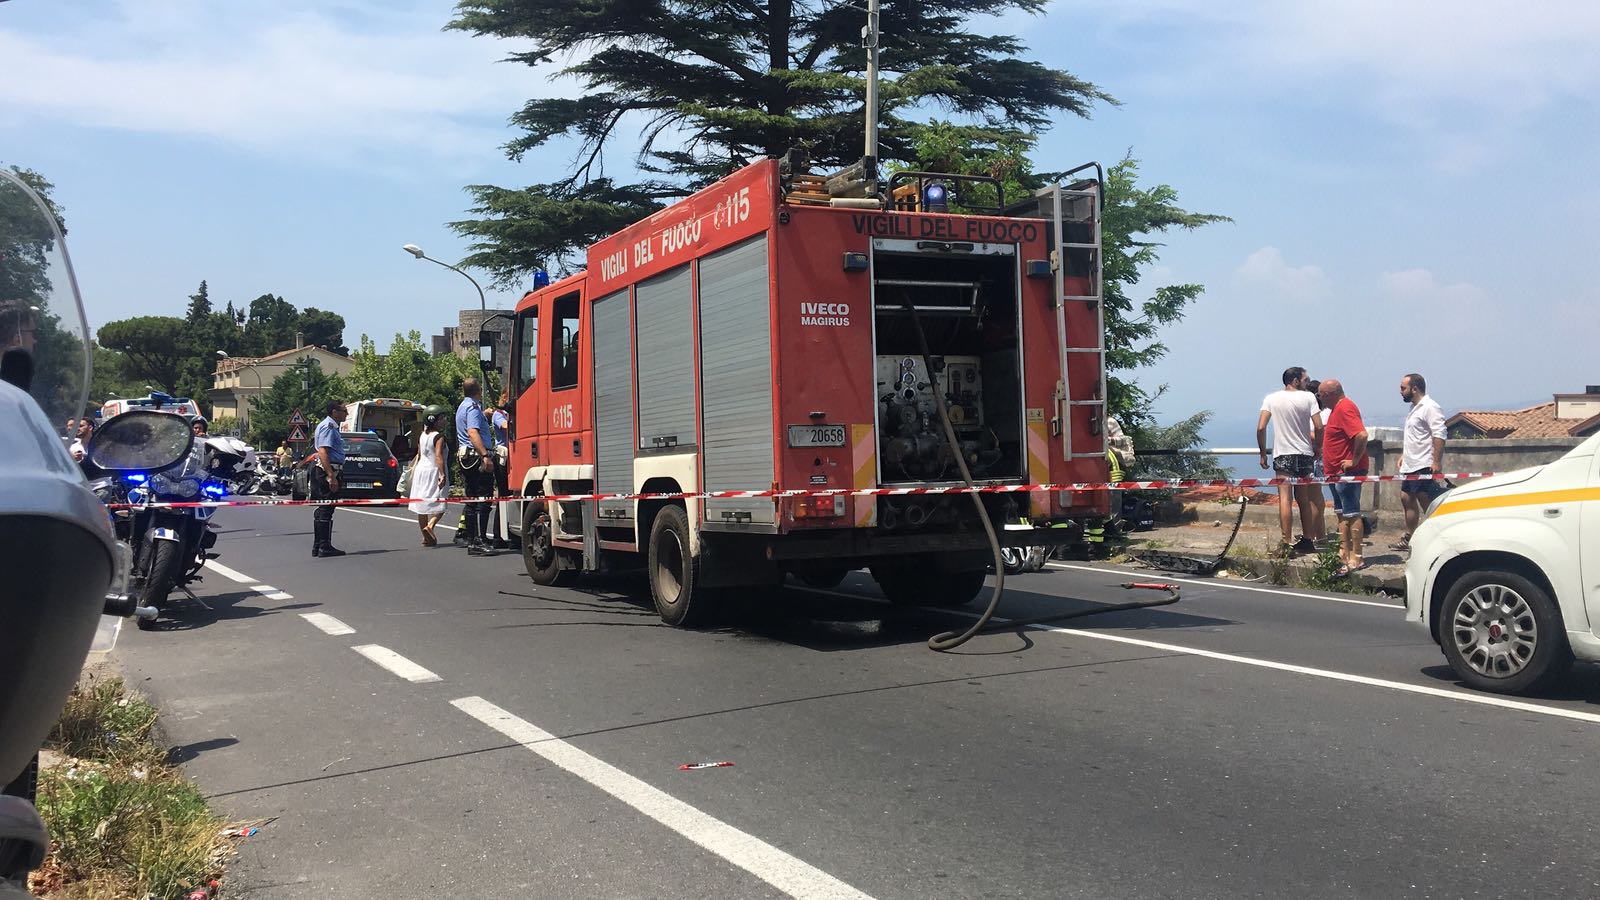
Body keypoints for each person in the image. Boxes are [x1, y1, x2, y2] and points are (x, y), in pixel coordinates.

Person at [1257, 366, 1324, 555]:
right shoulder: (1309, 398)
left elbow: (1261, 427)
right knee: (1303, 499)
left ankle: (1286, 542)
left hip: (1283, 454)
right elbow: (1319, 426)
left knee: (1284, 499)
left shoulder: (1271, 398)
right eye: (1305, 380)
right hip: (1304, 453)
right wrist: (1317, 447)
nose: (1307, 383)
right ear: (1295, 380)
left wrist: (1263, 453)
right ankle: (1308, 539)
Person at [1317, 379, 1369, 576]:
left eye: (1321, 395)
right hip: (1335, 473)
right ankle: (1344, 551)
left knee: (1351, 513)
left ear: (1330, 394)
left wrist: (1353, 461)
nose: (1319, 399)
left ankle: (1357, 555)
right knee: (1341, 513)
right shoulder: (1335, 410)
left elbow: (1361, 435)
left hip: (1347, 473)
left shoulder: (1345, 408)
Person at [1394, 373, 1447, 553]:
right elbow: (1414, 437)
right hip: (1411, 463)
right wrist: (1404, 454)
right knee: (1406, 498)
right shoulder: (1414, 408)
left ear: (1414, 389)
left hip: (1423, 463)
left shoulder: (1430, 407)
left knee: (1427, 502)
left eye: (1403, 388)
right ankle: (1411, 536)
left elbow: (1439, 434)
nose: (1400, 391)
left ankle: (1439, 538)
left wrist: (1436, 461)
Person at [454, 378, 497, 556]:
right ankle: (480, 540)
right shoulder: (472, 407)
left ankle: (472, 540)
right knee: (483, 499)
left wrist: (484, 416)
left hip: (466, 456)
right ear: (478, 390)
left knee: (471, 500)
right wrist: (485, 456)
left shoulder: (463, 406)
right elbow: (473, 432)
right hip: (475, 456)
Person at [310, 400, 348, 558]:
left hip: (326, 469)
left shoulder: (328, 425)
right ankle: (324, 546)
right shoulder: (329, 426)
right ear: (334, 411)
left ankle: (318, 545)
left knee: (323, 509)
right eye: (344, 410)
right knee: (326, 509)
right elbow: (323, 452)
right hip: (328, 469)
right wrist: (331, 475)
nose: (346, 413)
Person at [407, 413, 449, 546]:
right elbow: (438, 456)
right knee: (441, 501)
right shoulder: (439, 437)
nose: (444, 420)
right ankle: (430, 526)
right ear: (435, 421)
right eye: (442, 418)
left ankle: (426, 538)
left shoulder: (422, 435)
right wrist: (442, 474)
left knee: (421, 504)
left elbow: (419, 454)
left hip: (421, 470)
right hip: (434, 470)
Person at [485, 393, 512, 549]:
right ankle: (497, 535)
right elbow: (506, 426)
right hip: (502, 457)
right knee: (503, 494)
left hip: (510, 456)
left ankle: (506, 532)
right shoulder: (498, 414)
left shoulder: (506, 414)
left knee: (509, 496)